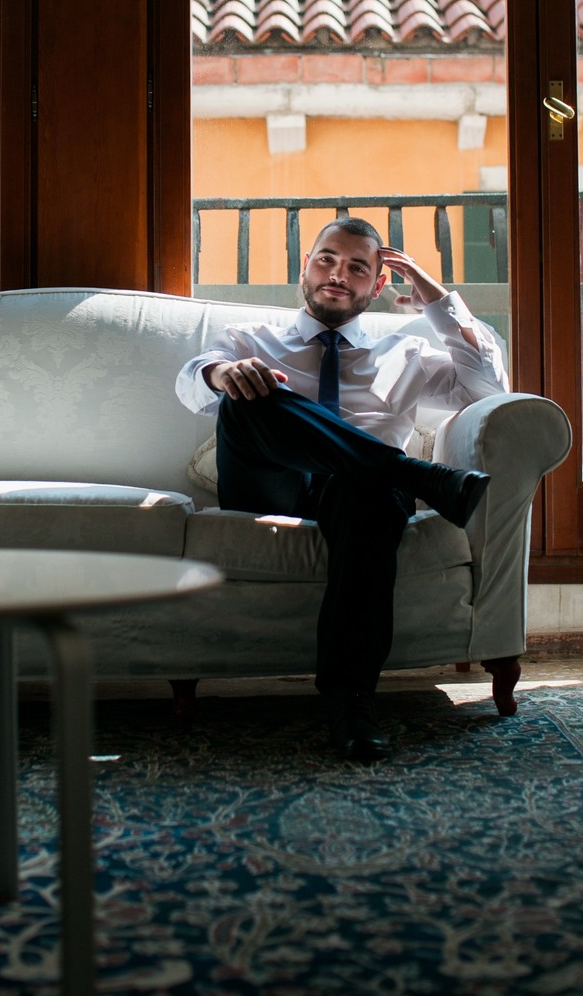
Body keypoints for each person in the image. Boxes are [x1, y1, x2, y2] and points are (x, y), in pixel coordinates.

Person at [175, 216, 509, 761]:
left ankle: (351, 701)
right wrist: (222, 374)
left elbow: (489, 388)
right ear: (305, 268)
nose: (338, 274)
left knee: (368, 492)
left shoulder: (406, 351)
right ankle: (414, 474)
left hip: (359, 494)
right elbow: (194, 382)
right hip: (271, 486)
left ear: (378, 285)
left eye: (358, 267)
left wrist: (438, 301)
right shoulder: (251, 340)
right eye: (327, 260)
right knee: (251, 388)